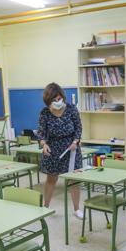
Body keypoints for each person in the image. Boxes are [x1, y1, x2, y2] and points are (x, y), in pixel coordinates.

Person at [36, 82, 83, 218]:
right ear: (48, 101)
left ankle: (76, 209)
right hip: (53, 149)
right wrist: (43, 144)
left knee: (74, 180)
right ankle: (46, 207)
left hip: (71, 148)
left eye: (59, 98)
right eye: (54, 100)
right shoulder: (45, 113)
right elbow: (41, 132)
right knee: (51, 179)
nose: (58, 101)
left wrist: (75, 142)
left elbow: (78, 128)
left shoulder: (71, 109)